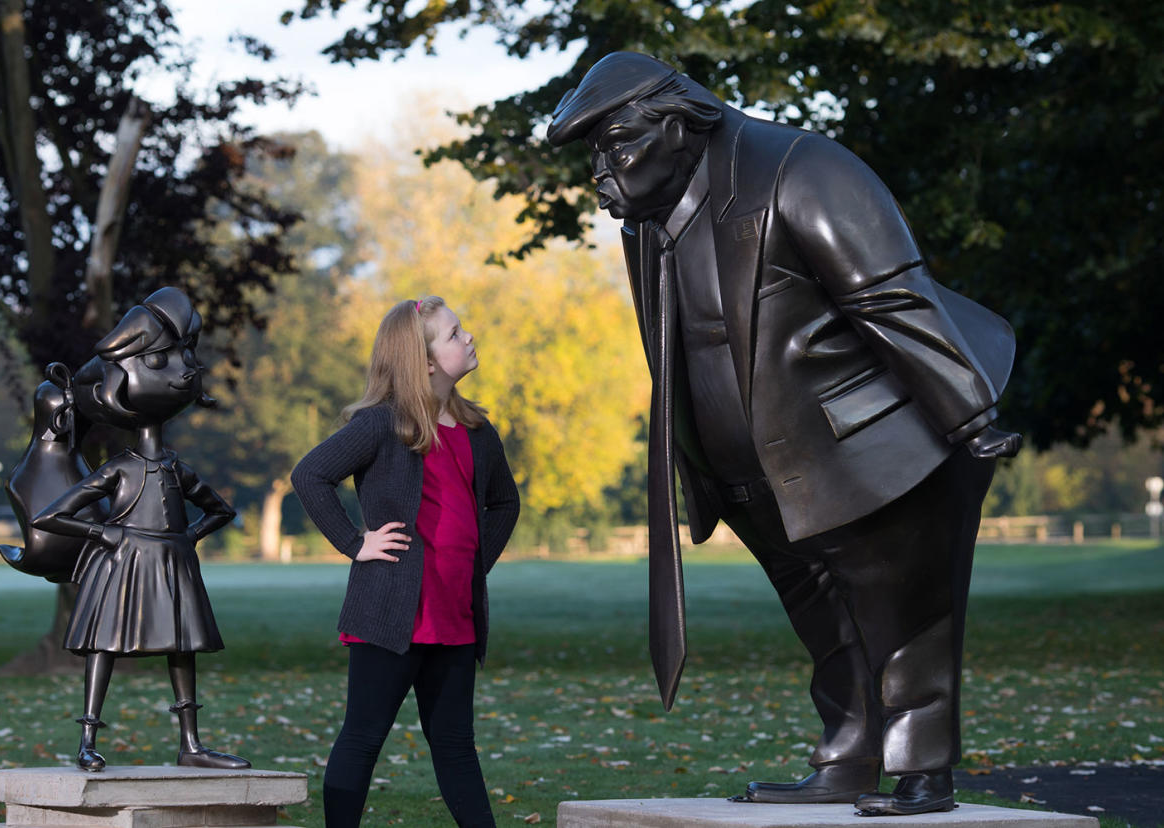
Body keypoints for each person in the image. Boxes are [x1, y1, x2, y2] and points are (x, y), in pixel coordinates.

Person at [547, 52, 1022, 817]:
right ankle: (849, 754)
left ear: (674, 125)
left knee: (904, 615)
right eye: (594, 154)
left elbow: (893, 299)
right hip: (757, 472)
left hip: (873, 447)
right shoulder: (648, 212)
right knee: (827, 623)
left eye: (616, 145)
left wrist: (969, 415)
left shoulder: (802, 169)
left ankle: (923, 770)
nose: (602, 171)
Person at [291, 296, 519, 827]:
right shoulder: (381, 426)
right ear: (428, 361)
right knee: (364, 737)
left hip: (455, 616)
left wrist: (475, 562)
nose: (468, 338)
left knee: (457, 745)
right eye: (454, 333)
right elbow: (310, 474)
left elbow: (504, 503)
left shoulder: (479, 433)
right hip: (389, 614)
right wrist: (355, 542)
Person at [22, 287, 248, 772]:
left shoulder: (175, 468)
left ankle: (191, 743)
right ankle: (87, 739)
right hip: (122, 564)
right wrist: (108, 536)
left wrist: (187, 537)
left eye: (185, 355)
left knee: (182, 643)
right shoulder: (120, 469)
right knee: (104, 643)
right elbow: (50, 516)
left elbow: (220, 509)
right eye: (162, 359)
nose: (186, 369)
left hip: (170, 564)